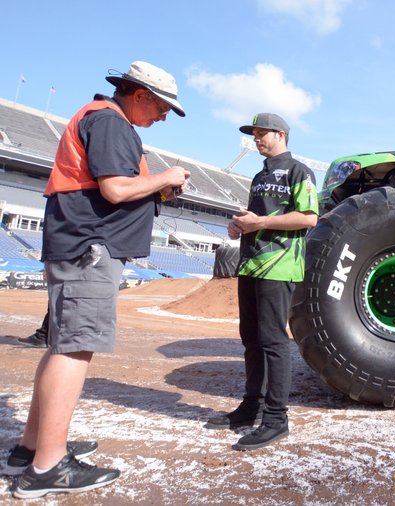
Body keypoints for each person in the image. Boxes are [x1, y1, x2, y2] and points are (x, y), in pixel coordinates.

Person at [7, 61, 190, 499]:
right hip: (91, 248)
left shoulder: (104, 119)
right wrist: (165, 177)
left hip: (82, 245)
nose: (164, 116)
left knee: (62, 347)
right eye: (163, 107)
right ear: (140, 94)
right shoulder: (110, 121)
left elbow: (118, 186)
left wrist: (156, 188)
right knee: (74, 349)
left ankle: (32, 448)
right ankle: (46, 468)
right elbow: (114, 190)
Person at [205, 113, 318, 451]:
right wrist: (240, 226)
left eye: (261, 133)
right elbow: (259, 220)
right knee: (251, 339)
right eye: (253, 134)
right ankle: (250, 407)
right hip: (251, 264)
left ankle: (276, 419)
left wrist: (261, 222)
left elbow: (309, 217)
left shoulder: (299, 171)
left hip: (279, 266)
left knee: (272, 340)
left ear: (280, 134)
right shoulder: (259, 176)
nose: (256, 138)